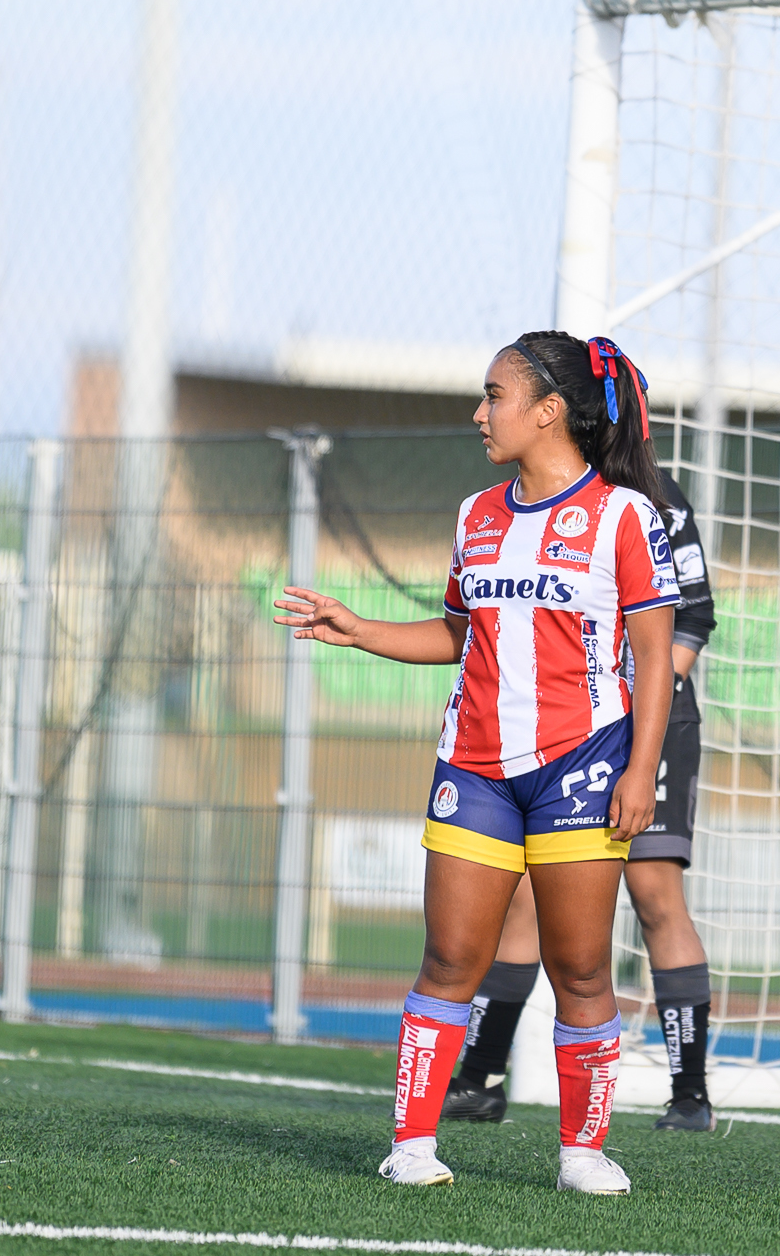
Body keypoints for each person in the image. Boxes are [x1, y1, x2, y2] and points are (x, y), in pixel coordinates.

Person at [273, 331, 679, 1194]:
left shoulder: (623, 516)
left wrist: (641, 772)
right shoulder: (475, 514)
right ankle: (412, 1146)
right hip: (475, 766)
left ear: (549, 411)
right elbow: (461, 634)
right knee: (449, 957)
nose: (479, 412)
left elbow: (654, 655)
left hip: (584, 763)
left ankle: (582, 1151)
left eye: (493, 395)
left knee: (579, 967)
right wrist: (362, 631)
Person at [442, 464, 720, 1131]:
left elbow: (692, 622)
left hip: (646, 726)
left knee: (655, 893)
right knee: (525, 900)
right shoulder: (515, 503)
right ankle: (478, 1077)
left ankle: (689, 1095)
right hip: (562, 733)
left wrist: (630, 722)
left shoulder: (652, 498)